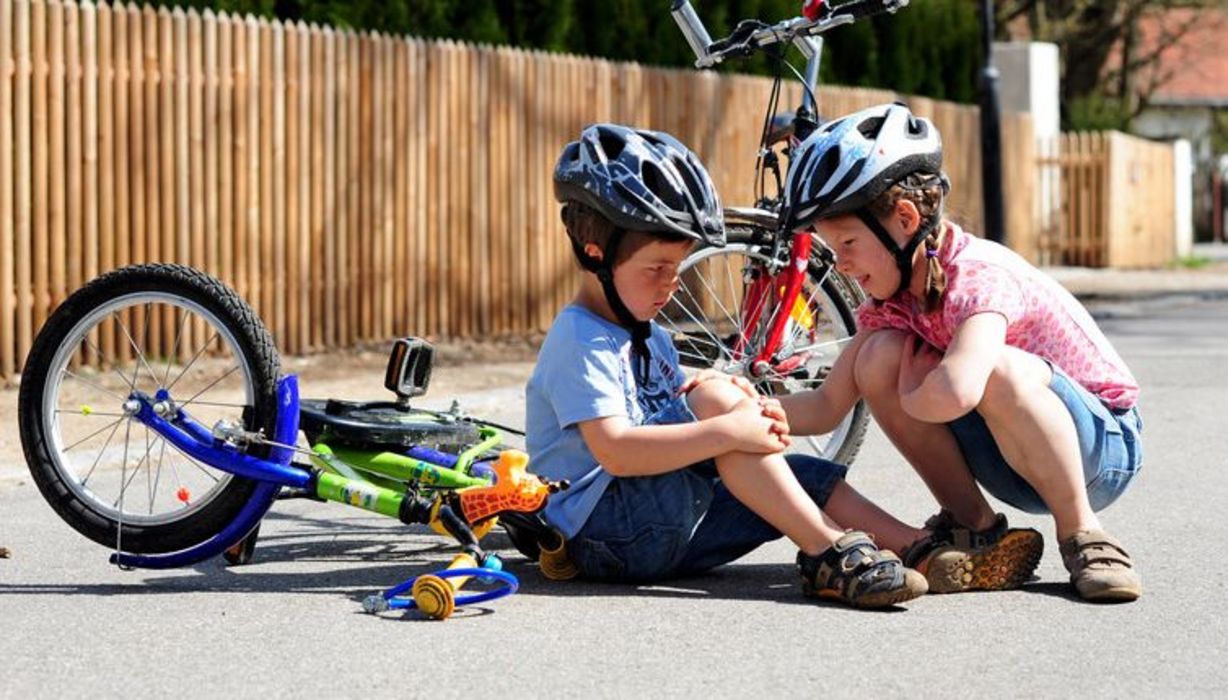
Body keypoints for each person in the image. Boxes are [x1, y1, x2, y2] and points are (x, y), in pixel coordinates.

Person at [524, 122, 936, 609]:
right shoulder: (579, 337)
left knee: (796, 466)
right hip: (606, 532)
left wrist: (725, 396)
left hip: (660, 526)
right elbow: (616, 451)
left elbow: (654, 402)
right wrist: (728, 428)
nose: (671, 285)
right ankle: (828, 550)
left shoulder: (647, 334)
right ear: (595, 253)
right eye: (656, 270)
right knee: (723, 409)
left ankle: (919, 549)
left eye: (676, 269)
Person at [776, 103, 1143, 603]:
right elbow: (824, 407)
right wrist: (736, 406)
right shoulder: (893, 299)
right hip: (1013, 452)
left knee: (995, 369)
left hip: (1099, 448)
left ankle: (1085, 535)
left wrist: (910, 389)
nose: (840, 263)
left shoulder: (977, 275)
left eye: (847, 242)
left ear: (904, 219)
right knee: (877, 356)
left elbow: (956, 391)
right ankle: (977, 530)